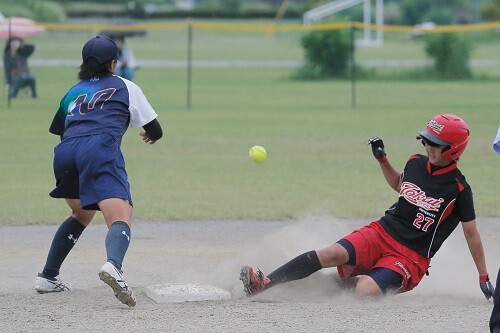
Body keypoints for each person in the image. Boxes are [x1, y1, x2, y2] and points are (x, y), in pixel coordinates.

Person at [240, 114, 495, 300]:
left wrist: (483, 276)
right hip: (381, 232)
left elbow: (471, 235)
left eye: (435, 143)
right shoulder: (416, 163)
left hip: (409, 257)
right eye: (426, 141)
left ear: (453, 150)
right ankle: (263, 283)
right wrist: (383, 160)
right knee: (329, 254)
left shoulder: (459, 190)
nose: (428, 147)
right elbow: (400, 185)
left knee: (365, 291)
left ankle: (345, 282)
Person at [34, 35, 163, 307]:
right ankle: (114, 266)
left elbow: (60, 128)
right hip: (99, 149)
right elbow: (155, 130)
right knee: (121, 214)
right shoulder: (125, 86)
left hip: (65, 153)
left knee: (81, 212)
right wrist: (149, 136)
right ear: (113, 64)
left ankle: (48, 276)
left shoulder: (73, 90)